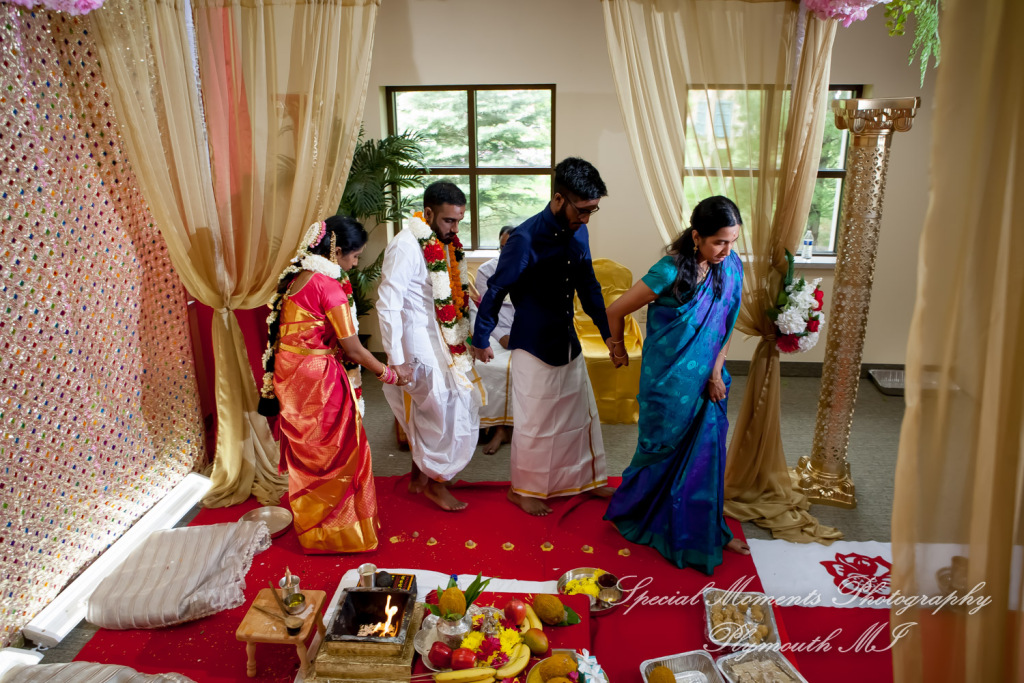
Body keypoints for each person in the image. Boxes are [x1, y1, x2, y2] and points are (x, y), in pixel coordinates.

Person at [603, 196, 749, 574]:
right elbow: (615, 310)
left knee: (706, 457)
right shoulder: (669, 271)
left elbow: (724, 326)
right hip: (668, 382)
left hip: (708, 380)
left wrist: (716, 374)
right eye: (719, 241)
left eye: (732, 241)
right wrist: (616, 347)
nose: (727, 250)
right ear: (697, 236)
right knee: (658, 450)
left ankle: (707, 530)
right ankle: (639, 514)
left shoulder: (730, 266)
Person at [473, 157, 613, 516]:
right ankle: (523, 490)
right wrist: (481, 337)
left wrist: (607, 333)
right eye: (582, 210)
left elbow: (589, 286)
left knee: (578, 415)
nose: (585, 218)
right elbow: (496, 290)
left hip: (568, 341)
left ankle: (587, 480)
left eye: (592, 211)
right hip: (533, 345)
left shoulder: (579, 231)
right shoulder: (524, 238)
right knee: (535, 424)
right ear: (557, 199)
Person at [258, 216, 405, 554]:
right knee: (338, 451)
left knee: (309, 451)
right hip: (317, 377)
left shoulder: (297, 278)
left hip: (289, 372)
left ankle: (313, 530)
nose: (355, 264)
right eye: (354, 258)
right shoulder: (329, 286)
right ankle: (340, 533)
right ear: (337, 251)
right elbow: (353, 348)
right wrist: (389, 373)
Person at [377, 181, 483, 512]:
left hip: (439, 334)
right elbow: (387, 303)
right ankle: (436, 484)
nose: (454, 228)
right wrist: (395, 360)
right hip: (415, 341)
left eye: (459, 220)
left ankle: (419, 478)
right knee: (441, 407)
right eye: (449, 220)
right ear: (427, 213)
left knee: (432, 407)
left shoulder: (440, 241)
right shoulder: (406, 246)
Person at [475, 225, 517, 455]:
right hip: (497, 331)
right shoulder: (486, 270)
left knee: (523, 369)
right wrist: (501, 336)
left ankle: (508, 427)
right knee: (488, 366)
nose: (506, 252)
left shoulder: (533, 266)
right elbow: (489, 310)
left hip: (527, 331)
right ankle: (493, 426)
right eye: (502, 248)